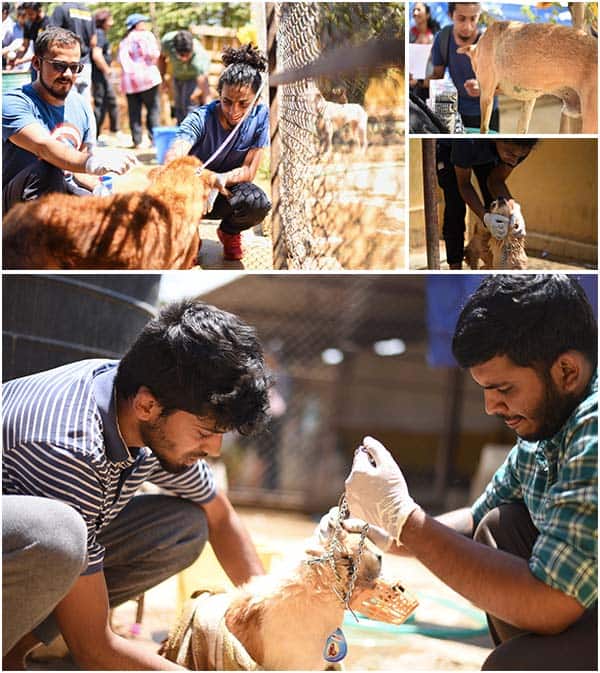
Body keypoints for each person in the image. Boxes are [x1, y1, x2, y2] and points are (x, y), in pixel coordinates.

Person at [334, 275, 598, 671]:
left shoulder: (593, 429)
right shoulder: (546, 426)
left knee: (512, 665)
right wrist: (388, 532)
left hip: (564, 597)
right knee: (498, 526)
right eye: (486, 390)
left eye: (504, 389)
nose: (491, 407)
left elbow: (552, 601)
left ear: (566, 371)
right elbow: (479, 515)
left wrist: (406, 520)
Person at [2, 299, 271, 670]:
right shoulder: (70, 446)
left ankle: (15, 648)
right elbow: (95, 648)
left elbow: (217, 513)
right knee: (58, 536)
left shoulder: (136, 406)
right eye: (205, 432)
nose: (214, 449)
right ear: (147, 405)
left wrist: (268, 617)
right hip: (33, 533)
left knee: (181, 528)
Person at [2, 26, 137, 214]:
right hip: (17, 205)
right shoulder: (13, 102)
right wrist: (92, 163)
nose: (67, 74)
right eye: (58, 65)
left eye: (74, 67)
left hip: (64, 192)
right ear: (36, 63)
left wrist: (101, 191)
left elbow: (77, 170)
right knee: (49, 169)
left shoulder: (81, 106)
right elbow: (44, 147)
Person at [165, 43, 271, 262]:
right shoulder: (201, 118)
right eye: (227, 102)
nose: (234, 111)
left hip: (226, 193)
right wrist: (203, 181)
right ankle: (190, 233)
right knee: (167, 189)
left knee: (257, 203)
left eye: (244, 104)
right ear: (218, 95)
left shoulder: (260, 118)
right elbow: (174, 155)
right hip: (194, 193)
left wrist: (221, 179)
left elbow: (249, 171)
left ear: (257, 100)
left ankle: (229, 232)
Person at [437, 138, 536, 269]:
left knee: (496, 207)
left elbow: (495, 181)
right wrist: (486, 218)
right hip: (451, 151)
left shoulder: (521, 147)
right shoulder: (466, 143)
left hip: (487, 152)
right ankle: (455, 268)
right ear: (496, 140)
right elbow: (464, 185)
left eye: (520, 156)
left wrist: (515, 210)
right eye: (511, 153)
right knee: (455, 206)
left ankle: (489, 263)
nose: (514, 161)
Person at [426, 2, 499, 132]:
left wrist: (484, 87)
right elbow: (437, 75)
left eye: (473, 18)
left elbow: (503, 83)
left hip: (487, 112)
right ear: (450, 15)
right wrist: (418, 81)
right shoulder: (443, 38)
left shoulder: (490, 41)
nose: (468, 26)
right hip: (456, 112)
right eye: (461, 18)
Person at [118, 13, 162, 149]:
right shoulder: (147, 36)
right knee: (153, 109)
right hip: (148, 78)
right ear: (137, 24)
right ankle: (154, 140)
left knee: (134, 111)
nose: (145, 24)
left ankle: (136, 141)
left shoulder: (125, 40)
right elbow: (154, 54)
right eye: (143, 22)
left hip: (130, 81)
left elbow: (121, 60)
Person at [159, 29, 212, 125]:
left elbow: (204, 88)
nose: (184, 59)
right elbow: (161, 58)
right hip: (177, 77)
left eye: (187, 55)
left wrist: (210, 113)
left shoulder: (200, 57)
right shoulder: (167, 42)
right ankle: (181, 133)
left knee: (190, 108)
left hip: (193, 79)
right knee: (179, 109)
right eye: (181, 56)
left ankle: (192, 132)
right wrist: (162, 78)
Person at [49, 2, 96, 103]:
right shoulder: (88, 12)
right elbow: (93, 41)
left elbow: (52, 37)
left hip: (66, 66)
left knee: (68, 102)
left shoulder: (61, 9)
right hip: (85, 64)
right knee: (85, 102)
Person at [91, 8, 122, 144]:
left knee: (108, 102)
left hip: (102, 75)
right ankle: (95, 136)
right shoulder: (99, 34)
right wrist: (107, 70)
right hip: (100, 75)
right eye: (110, 20)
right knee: (101, 104)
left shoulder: (101, 33)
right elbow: (96, 55)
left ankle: (110, 132)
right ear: (103, 21)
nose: (112, 23)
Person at [10, 2, 49, 75]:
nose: (28, 16)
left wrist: (22, 61)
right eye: (27, 14)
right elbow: (24, 46)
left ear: (38, 11)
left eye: (31, 14)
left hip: (47, 63)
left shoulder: (48, 23)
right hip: (35, 63)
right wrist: (17, 58)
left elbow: (46, 50)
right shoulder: (28, 23)